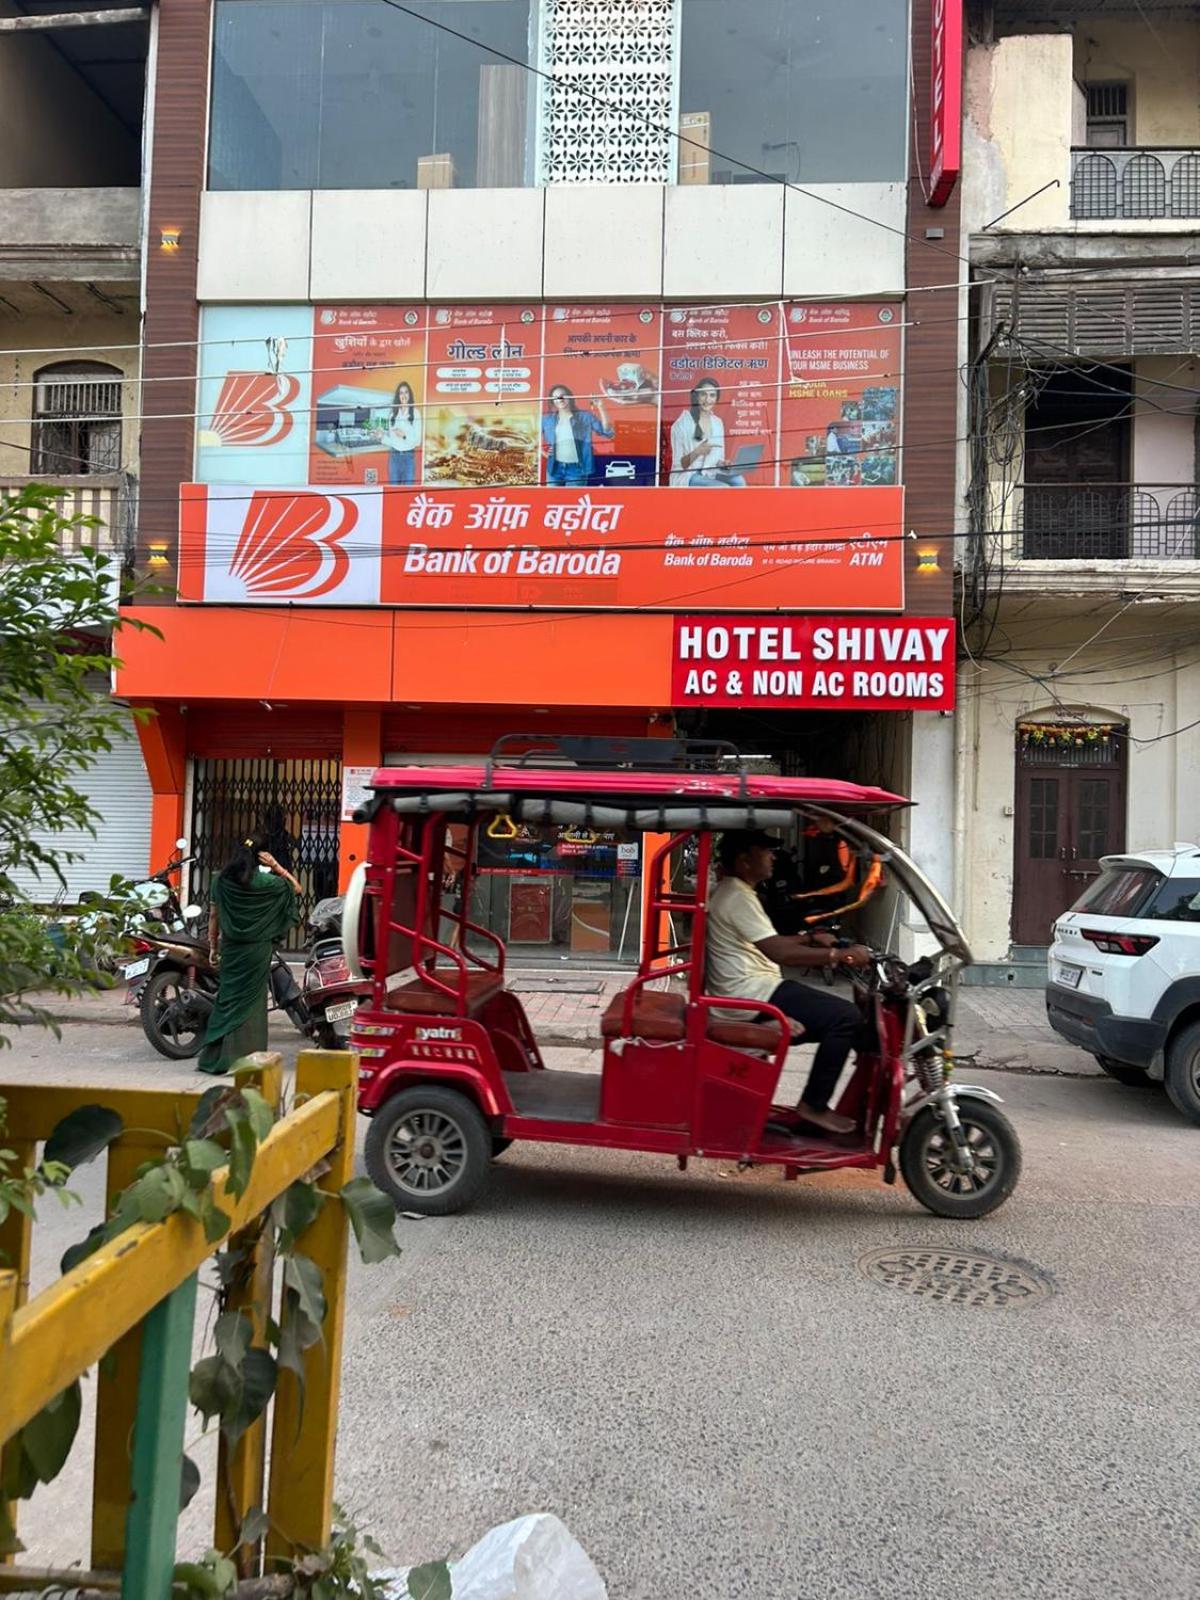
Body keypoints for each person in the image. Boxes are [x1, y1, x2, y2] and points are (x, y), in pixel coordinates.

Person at [706, 829, 872, 1135]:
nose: (773, 857)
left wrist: (811, 938)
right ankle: (814, 1105)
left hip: (755, 989)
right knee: (846, 1018)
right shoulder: (736, 896)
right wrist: (838, 955)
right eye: (765, 851)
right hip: (750, 995)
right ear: (744, 860)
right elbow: (779, 952)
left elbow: (769, 941)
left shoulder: (737, 892)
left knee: (845, 1023)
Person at [198, 832, 301, 1076]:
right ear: (261, 857)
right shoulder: (267, 883)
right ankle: (249, 1058)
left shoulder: (220, 881)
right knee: (253, 1003)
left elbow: (213, 916)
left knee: (228, 999)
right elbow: (296, 889)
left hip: (232, 949)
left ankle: (219, 1058)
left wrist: (213, 947)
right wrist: (276, 866)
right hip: (257, 951)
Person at [669, 379, 746, 487]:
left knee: (739, 481)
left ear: (716, 399)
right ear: (697, 396)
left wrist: (723, 464)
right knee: (722, 487)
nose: (707, 399)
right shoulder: (680, 425)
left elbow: (717, 459)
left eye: (712, 395)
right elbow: (679, 465)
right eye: (703, 394)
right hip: (688, 475)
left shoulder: (717, 423)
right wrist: (697, 452)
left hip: (710, 472)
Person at [541, 386, 614, 487]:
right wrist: (542, 452)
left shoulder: (585, 417)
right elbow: (533, 437)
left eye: (563, 396)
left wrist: (601, 406)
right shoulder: (547, 420)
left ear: (570, 397)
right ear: (552, 401)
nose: (560, 399)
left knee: (574, 497)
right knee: (552, 497)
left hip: (577, 469)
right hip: (554, 468)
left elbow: (607, 431)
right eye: (556, 397)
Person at [387, 381, 422, 486]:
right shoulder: (392, 415)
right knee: (393, 492)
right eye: (401, 393)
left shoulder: (415, 413)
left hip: (408, 458)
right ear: (398, 396)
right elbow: (392, 441)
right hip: (394, 457)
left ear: (410, 395)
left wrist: (404, 436)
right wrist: (380, 437)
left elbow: (417, 441)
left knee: (407, 492)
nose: (404, 395)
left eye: (406, 392)